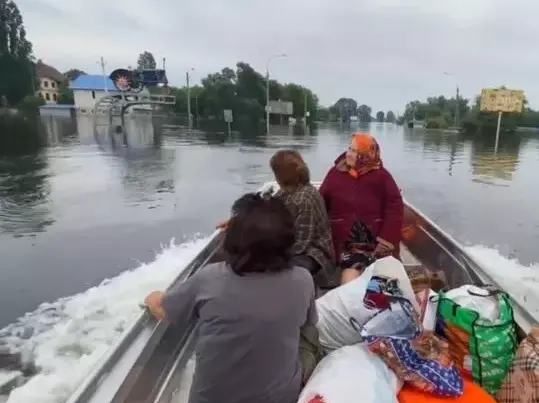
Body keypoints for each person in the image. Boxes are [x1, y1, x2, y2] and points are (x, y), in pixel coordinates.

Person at [144, 193, 320, 403]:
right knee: (309, 340)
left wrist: (152, 298)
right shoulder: (303, 279)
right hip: (278, 398)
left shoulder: (210, 278)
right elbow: (308, 323)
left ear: (233, 239)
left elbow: (163, 311)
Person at [319, 133, 404, 284]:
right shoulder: (335, 173)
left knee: (384, 277)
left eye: (354, 151)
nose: (348, 154)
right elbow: (320, 203)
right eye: (349, 148)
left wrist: (385, 242)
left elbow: (395, 210)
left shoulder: (382, 177)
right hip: (345, 244)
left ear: (366, 155)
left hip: (375, 243)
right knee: (351, 275)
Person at [269, 150, 337, 288]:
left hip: (315, 254)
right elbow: (268, 206)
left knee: (286, 270)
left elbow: (301, 244)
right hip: (293, 245)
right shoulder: (288, 190)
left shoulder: (305, 199)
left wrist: (272, 256)